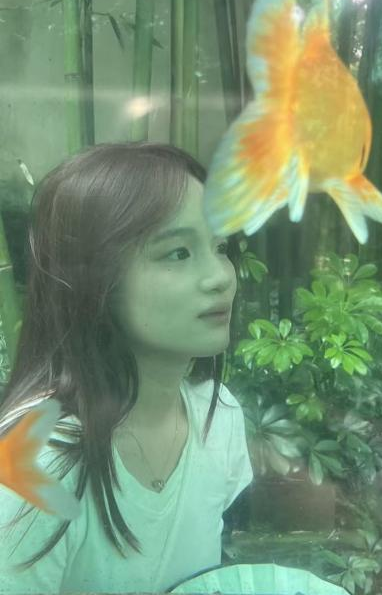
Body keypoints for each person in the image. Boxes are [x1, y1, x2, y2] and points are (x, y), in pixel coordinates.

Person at [0, 142, 253, 594]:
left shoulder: (220, 420)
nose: (220, 276)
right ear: (94, 280)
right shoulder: (36, 462)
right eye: (178, 253)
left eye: (220, 247)